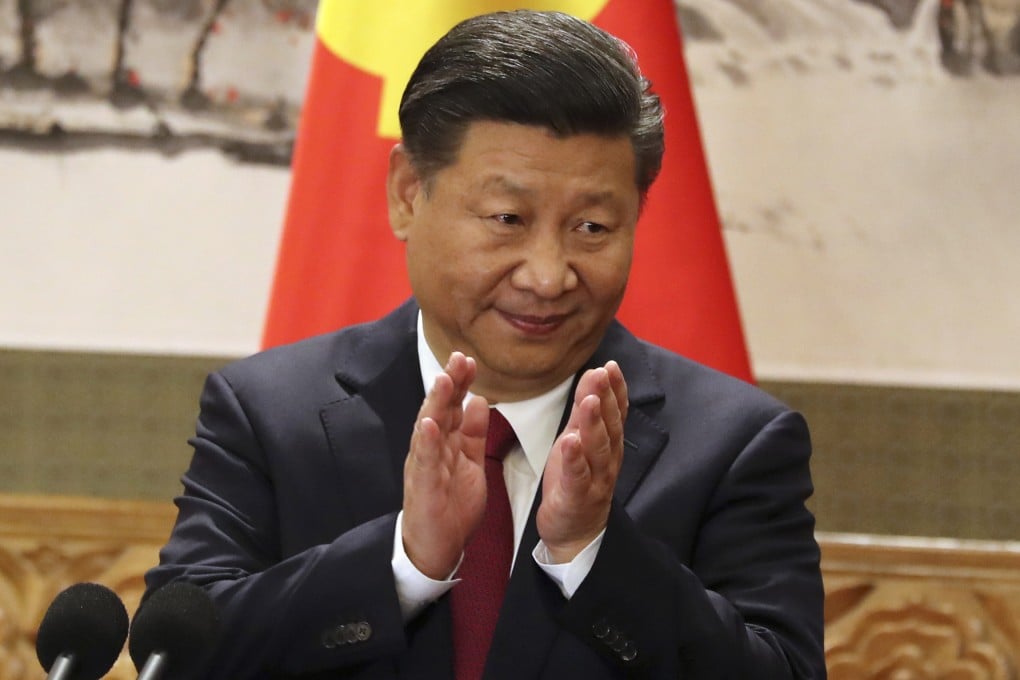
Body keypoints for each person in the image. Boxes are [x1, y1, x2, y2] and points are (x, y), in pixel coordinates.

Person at [146, 10, 825, 679]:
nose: (548, 276)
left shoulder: (732, 444)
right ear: (408, 193)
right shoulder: (268, 412)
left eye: (592, 227)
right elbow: (176, 657)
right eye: (507, 218)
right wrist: (404, 562)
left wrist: (592, 552)